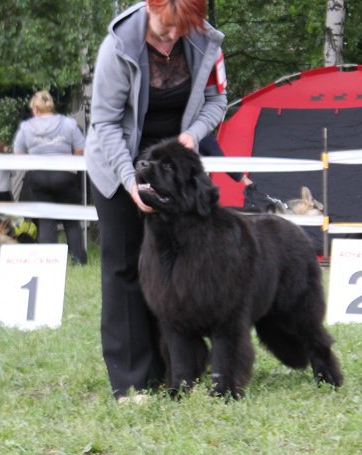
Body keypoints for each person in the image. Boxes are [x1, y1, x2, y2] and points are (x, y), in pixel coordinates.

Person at [84, 0, 227, 402]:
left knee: (175, 270)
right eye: (166, 27)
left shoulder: (204, 40)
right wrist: (131, 182)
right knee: (126, 269)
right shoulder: (117, 47)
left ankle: (176, 370)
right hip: (119, 167)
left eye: (181, 29)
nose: (172, 37)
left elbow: (218, 100)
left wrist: (193, 135)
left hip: (173, 171)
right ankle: (132, 381)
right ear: (151, 6)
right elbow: (106, 123)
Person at [13, 90, 87, 265]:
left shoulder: (26, 127)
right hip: (64, 175)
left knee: (46, 219)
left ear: (36, 109)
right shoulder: (69, 124)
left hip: (38, 177)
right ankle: (79, 261)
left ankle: (49, 262)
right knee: (71, 221)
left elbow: (18, 155)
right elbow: (80, 150)